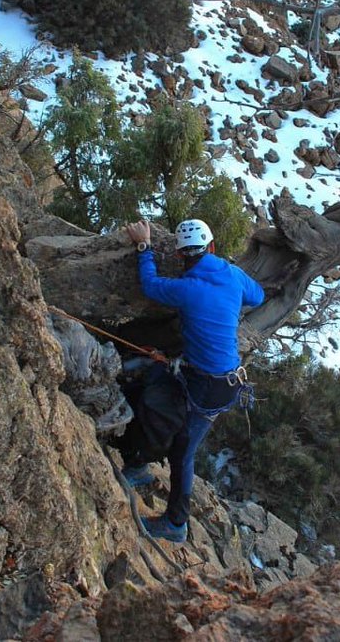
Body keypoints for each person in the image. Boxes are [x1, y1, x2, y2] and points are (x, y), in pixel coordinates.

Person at [118, 217, 264, 543]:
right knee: (150, 383)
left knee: (184, 451)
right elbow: (258, 296)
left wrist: (144, 245)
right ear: (212, 247)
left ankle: (175, 524)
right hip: (216, 379)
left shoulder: (188, 289)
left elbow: (151, 285)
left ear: (182, 256)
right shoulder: (232, 275)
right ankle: (138, 463)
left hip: (209, 387)